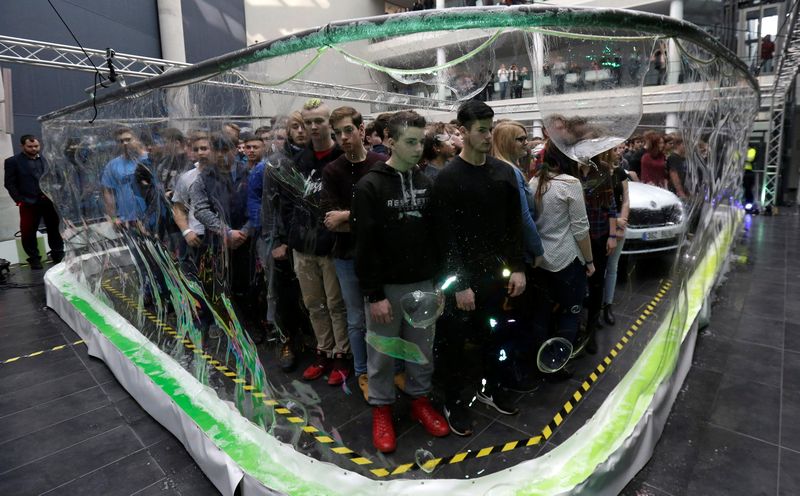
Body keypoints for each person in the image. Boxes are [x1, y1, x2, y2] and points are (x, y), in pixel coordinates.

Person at [351, 110, 449, 453]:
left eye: (421, 141)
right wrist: (373, 293)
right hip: (386, 289)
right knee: (382, 352)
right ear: (390, 141)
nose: (418, 148)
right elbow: (364, 245)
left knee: (422, 347)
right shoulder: (370, 185)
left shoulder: (428, 181)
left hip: (424, 283)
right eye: (410, 141)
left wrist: (439, 283)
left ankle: (420, 399)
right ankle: (382, 407)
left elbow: (440, 236)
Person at [432, 100, 525, 436]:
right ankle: (453, 400)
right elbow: (445, 237)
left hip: (494, 275)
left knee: (495, 333)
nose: (488, 136)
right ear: (463, 131)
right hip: (461, 279)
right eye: (481, 131)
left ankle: (490, 387)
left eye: (491, 129)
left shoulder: (503, 173)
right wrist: (459, 286)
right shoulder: (446, 178)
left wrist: (518, 268)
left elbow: (514, 226)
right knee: (454, 342)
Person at [279, 99, 349, 385]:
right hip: (303, 246)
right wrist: (289, 238)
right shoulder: (297, 162)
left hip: (332, 246)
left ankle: (342, 355)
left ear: (329, 123)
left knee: (336, 303)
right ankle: (324, 350)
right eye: (308, 122)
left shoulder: (343, 160)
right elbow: (287, 203)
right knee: (313, 303)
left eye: (319, 121)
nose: (313, 127)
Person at [321, 106, 388, 399]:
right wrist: (366, 218)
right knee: (356, 319)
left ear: (362, 130)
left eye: (349, 130)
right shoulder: (332, 170)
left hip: (380, 255)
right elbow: (330, 221)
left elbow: (387, 216)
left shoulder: (381, 163)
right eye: (337, 134)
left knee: (384, 316)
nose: (344, 138)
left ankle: (386, 369)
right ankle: (362, 372)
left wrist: (349, 217)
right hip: (347, 256)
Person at [529, 142, 594, 367]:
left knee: (541, 311)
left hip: (540, 260)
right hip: (567, 259)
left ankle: (539, 359)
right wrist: (590, 261)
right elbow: (580, 229)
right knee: (571, 310)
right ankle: (558, 361)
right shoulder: (570, 183)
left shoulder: (534, 181)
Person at [260, 111, 311, 371]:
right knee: (284, 295)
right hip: (285, 240)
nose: (302, 130)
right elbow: (270, 206)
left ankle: (310, 338)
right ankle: (287, 339)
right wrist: (277, 241)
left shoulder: (316, 158)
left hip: (314, 238)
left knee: (313, 295)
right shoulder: (276, 163)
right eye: (296, 126)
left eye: (306, 125)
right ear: (288, 131)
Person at [578, 149, 618, 354]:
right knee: (577, 284)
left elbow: (611, 205)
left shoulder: (602, 169)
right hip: (576, 238)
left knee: (596, 284)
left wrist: (612, 236)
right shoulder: (568, 169)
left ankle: (591, 332)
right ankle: (579, 327)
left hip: (600, 234)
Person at [4, 134, 64, 269]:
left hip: (49, 201)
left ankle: (58, 254)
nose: (34, 149)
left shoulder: (48, 160)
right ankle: (34, 259)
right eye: (30, 146)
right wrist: (19, 201)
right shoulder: (12, 162)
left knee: (54, 228)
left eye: (36, 146)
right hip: (28, 202)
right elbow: (9, 183)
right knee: (28, 232)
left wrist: (57, 194)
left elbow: (57, 178)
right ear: (22, 146)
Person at [602, 144, 630, 326]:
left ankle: (608, 305)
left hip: (618, 224)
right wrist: (615, 221)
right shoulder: (597, 173)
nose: (619, 152)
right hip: (602, 226)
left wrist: (622, 220)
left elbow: (626, 199)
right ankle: (595, 305)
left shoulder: (620, 172)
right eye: (614, 149)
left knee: (613, 267)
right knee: (598, 268)